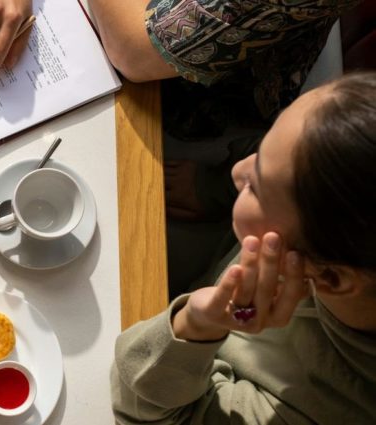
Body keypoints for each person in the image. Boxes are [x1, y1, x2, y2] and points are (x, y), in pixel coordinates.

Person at [111, 72, 376, 423]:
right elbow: (274, 154)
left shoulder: (323, 407)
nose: (238, 171)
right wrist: (213, 188)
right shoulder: (336, 230)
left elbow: (147, 414)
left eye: (255, 185)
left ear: (329, 277)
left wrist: (196, 324)